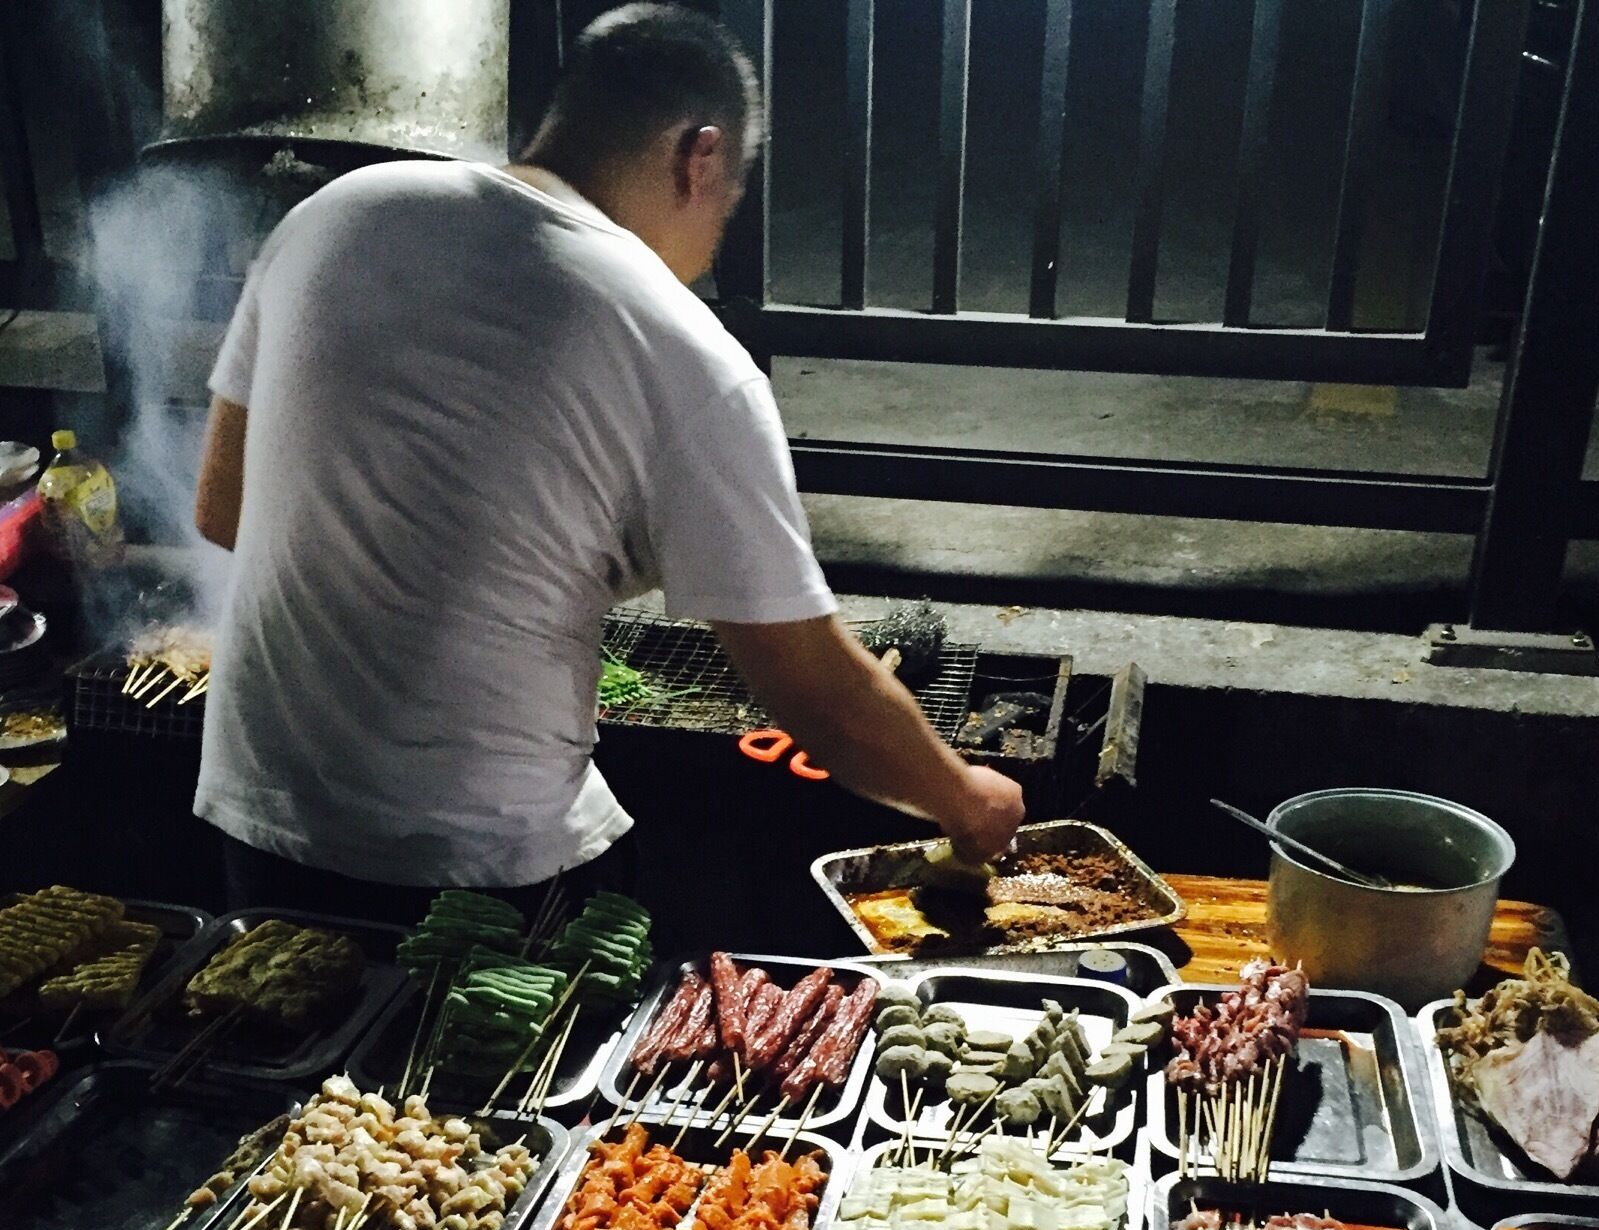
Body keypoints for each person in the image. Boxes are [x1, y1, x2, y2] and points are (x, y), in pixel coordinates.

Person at [191, 2, 1023, 921]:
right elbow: (809, 689)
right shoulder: (682, 352)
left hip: (259, 824)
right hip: (482, 865)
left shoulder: (331, 215)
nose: (710, 247)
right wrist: (965, 800)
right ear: (698, 157)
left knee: (283, 1058)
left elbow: (223, 509)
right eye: (730, 200)